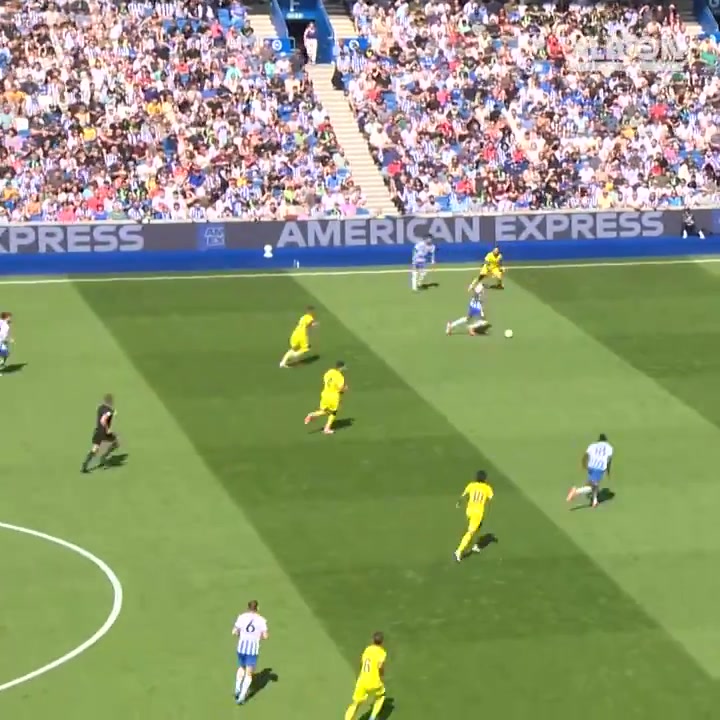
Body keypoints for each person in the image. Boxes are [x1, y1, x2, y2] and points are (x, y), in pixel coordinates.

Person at [232, 600, 269, 705]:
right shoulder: (261, 620)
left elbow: (234, 632)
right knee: (249, 673)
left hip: (241, 648)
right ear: (257, 608)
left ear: (248, 608)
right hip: (252, 650)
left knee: (241, 667)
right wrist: (258, 636)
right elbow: (265, 636)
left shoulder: (241, 617)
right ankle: (242, 696)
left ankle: (237, 689)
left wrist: (242, 634)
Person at [344, 631, 387, 720]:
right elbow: (380, 667)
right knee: (381, 696)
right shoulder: (382, 653)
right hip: (375, 682)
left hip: (362, 680)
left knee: (355, 703)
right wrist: (382, 677)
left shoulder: (367, 650)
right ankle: (372, 718)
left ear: (372, 640)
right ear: (382, 642)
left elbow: (362, 663)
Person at [454, 470, 494, 562]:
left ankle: (475, 546)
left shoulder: (471, 485)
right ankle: (458, 551)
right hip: (477, 513)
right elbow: (491, 497)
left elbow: (463, 496)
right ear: (485, 479)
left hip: (469, 511)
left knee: (478, 526)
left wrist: (458, 503)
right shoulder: (487, 488)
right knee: (470, 532)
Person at [567, 433, 614, 508]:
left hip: (591, 466)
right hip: (599, 467)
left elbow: (585, 455)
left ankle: (595, 501)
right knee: (592, 487)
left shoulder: (593, 445)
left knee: (594, 485)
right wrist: (608, 471)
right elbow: (609, 461)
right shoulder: (609, 447)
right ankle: (576, 491)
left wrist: (583, 464)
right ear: (606, 440)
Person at [304, 361, 347, 435]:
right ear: (341, 368)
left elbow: (325, 380)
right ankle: (326, 429)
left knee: (324, 411)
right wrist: (345, 389)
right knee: (333, 412)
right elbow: (341, 388)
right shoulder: (340, 377)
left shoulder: (329, 372)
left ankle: (312, 415)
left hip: (325, 394)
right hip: (333, 396)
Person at [82, 394, 120, 474]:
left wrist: (112, 412)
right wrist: (107, 429)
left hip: (98, 431)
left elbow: (102, 412)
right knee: (116, 443)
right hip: (104, 432)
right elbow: (103, 420)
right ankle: (104, 457)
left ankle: (84, 466)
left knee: (95, 448)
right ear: (110, 402)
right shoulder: (109, 411)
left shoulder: (100, 407)